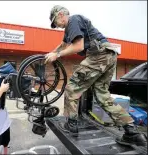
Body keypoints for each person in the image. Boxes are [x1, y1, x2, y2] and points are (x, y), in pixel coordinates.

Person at [45, 5, 147, 146]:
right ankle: (132, 132)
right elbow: (63, 44)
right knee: (102, 96)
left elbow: (79, 46)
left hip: (99, 56)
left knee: (72, 87)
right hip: (109, 55)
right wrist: (51, 53)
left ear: (61, 14)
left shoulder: (73, 20)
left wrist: (57, 55)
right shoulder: (69, 29)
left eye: (55, 22)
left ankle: (72, 125)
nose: (57, 26)